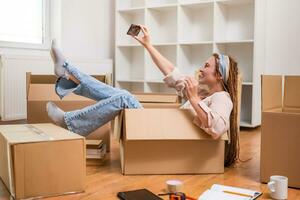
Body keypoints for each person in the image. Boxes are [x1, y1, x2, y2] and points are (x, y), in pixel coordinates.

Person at [47, 25, 239, 166]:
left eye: (207, 66)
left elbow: (217, 129)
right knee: (122, 95)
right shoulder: (203, 93)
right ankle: (67, 72)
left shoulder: (223, 98)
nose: (201, 68)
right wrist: (148, 45)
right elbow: (172, 72)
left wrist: (194, 99)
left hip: (163, 137)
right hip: (159, 131)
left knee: (125, 98)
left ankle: (71, 119)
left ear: (219, 75)